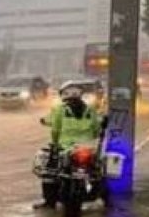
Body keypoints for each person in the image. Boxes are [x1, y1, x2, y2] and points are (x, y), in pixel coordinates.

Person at [34, 81, 102, 209]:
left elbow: (55, 129)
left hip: (65, 147)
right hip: (88, 147)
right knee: (97, 171)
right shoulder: (90, 110)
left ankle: (49, 202)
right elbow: (96, 129)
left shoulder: (60, 109)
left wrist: (54, 144)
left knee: (49, 171)